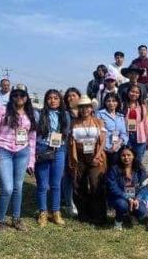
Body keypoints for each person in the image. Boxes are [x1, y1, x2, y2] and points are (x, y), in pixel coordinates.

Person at [0, 84, 37, 233]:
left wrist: (31, 160)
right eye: (15, 95)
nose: (19, 97)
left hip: (22, 152)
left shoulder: (30, 113)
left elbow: (32, 138)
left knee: (18, 187)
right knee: (7, 188)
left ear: (26, 97)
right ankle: (0, 220)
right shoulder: (2, 110)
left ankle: (16, 218)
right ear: (11, 96)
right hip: (4, 151)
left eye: (22, 95)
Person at [68, 95, 107, 224]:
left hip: (95, 156)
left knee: (96, 184)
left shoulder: (98, 122)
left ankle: (99, 214)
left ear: (91, 108)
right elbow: (71, 141)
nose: (84, 109)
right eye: (82, 107)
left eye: (87, 107)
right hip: (79, 156)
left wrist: (98, 155)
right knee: (79, 185)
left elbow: (103, 140)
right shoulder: (74, 123)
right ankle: (83, 213)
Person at [34, 89, 69, 227]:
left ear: (60, 100)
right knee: (42, 184)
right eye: (50, 98)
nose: (53, 100)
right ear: (46, 100)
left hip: (59, 150)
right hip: (43, 149)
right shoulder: (40, 114)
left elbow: (67, 132)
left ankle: (56, 212)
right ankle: (43, 212)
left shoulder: (64, 115)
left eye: (56, 98)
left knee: (56, 184)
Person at [107, 146, 148, 231]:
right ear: (119, 156)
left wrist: (137, 199)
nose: (126, 158)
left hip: (135, 196)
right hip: (119, 197)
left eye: (129, 155)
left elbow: (144, 187)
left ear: (133, 156)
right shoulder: (114, 169)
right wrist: (127, 197)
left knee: (142, 212)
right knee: (123, 205)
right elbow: (112, 187)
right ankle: (118, 222)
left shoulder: (140, 169)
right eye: (123, 155)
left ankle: (131, 215)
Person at [62, 87, 81, 216]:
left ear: (79, 97)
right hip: (66, 148)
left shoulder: (86, 112)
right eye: (69, 96)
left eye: (73, 95)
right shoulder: (64, 113)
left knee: (80, 175)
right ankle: (69, 203)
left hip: (82, 149)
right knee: (67, 176)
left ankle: (81, 201)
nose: (71, 98)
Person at [122, 84, 148, 163]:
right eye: (132, 91)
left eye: (137, 92)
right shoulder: (122, 106)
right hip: (127, 138)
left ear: (140, 95)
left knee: (138, 162)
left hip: (140, 138)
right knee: (127, 162)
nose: (134, 94)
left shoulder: (142, 107)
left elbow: (146, 125)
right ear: (128, 92)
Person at [96, 92, 128, 167]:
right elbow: (99, 132)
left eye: (114, 101)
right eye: (108, 101)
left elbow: (124, 133)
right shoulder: (100, 114)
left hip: (118, 148)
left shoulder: (120, 116)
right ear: (105, 102)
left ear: (117, 102)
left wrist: (118, 143)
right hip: (104, 148)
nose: (111, 103)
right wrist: (107, 147)